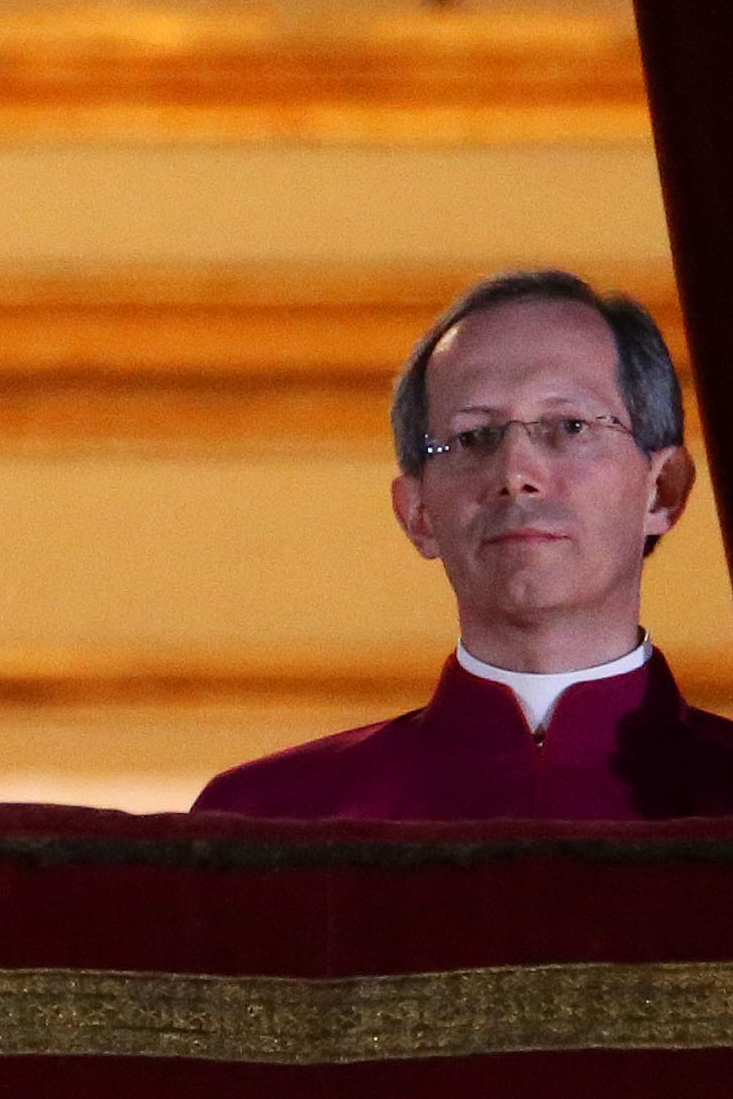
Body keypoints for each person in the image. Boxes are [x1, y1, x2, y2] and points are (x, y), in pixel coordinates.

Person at [195, 269, 733, 821]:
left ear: (663, 490)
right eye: (473, 436)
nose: (517, 472)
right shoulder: (272, 822)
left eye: (570, 426)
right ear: (418, 513)